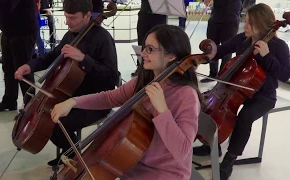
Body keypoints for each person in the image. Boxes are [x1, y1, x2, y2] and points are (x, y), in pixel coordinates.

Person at [50, 24, 203, 180]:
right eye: (144, 47)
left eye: (150, 49)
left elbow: (182, 150)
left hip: (164, 173)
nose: (143, 53)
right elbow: (109, 98)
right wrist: (73, 102)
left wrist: (162, 110)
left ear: (171, 56)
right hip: (131, 165)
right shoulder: (145, 81)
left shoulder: (186, 95)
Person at [14, 0, 119, 167]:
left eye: (72, 18)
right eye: (66, 17)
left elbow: (112, 77)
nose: (67, 22)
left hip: (95, 99)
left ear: (87, 15)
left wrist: (83, 59)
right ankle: (69, 152)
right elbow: (52, 56)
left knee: (57, 121)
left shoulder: (103, 39)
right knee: (48, 118)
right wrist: (29, 66)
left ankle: (74, 157)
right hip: (70, 95)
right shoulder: (70, 35)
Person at [194, 3, 290, 180]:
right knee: (207, 106)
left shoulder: (278, 46)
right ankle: (212, 145)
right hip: (234, 89)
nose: (244, 26)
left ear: (262, 24)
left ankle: (229, 160)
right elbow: (220, 51)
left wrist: (267, 56)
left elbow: (285, 75)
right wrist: (202, 58)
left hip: (263, 96)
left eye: (249, 23)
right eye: (245, 21)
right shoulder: (242, 40)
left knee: (244, 117)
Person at [0, 0, 37, 111]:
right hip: (8, 30)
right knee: (8, 68)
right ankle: (9, 101)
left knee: (23, 70)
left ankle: (30, 107)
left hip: (23, 31)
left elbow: (5, 4)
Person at [200, 0, 243, 83]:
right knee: (210, 46)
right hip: (215, 16)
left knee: (227, 48)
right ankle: (213, 74)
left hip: (231, 16)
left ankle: (223, 76)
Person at [131, 0, 167, 77]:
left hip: (160, 15)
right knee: (141, 41)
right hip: (144, 13)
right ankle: (141, 66)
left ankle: (159, 66)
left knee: (159, 42)